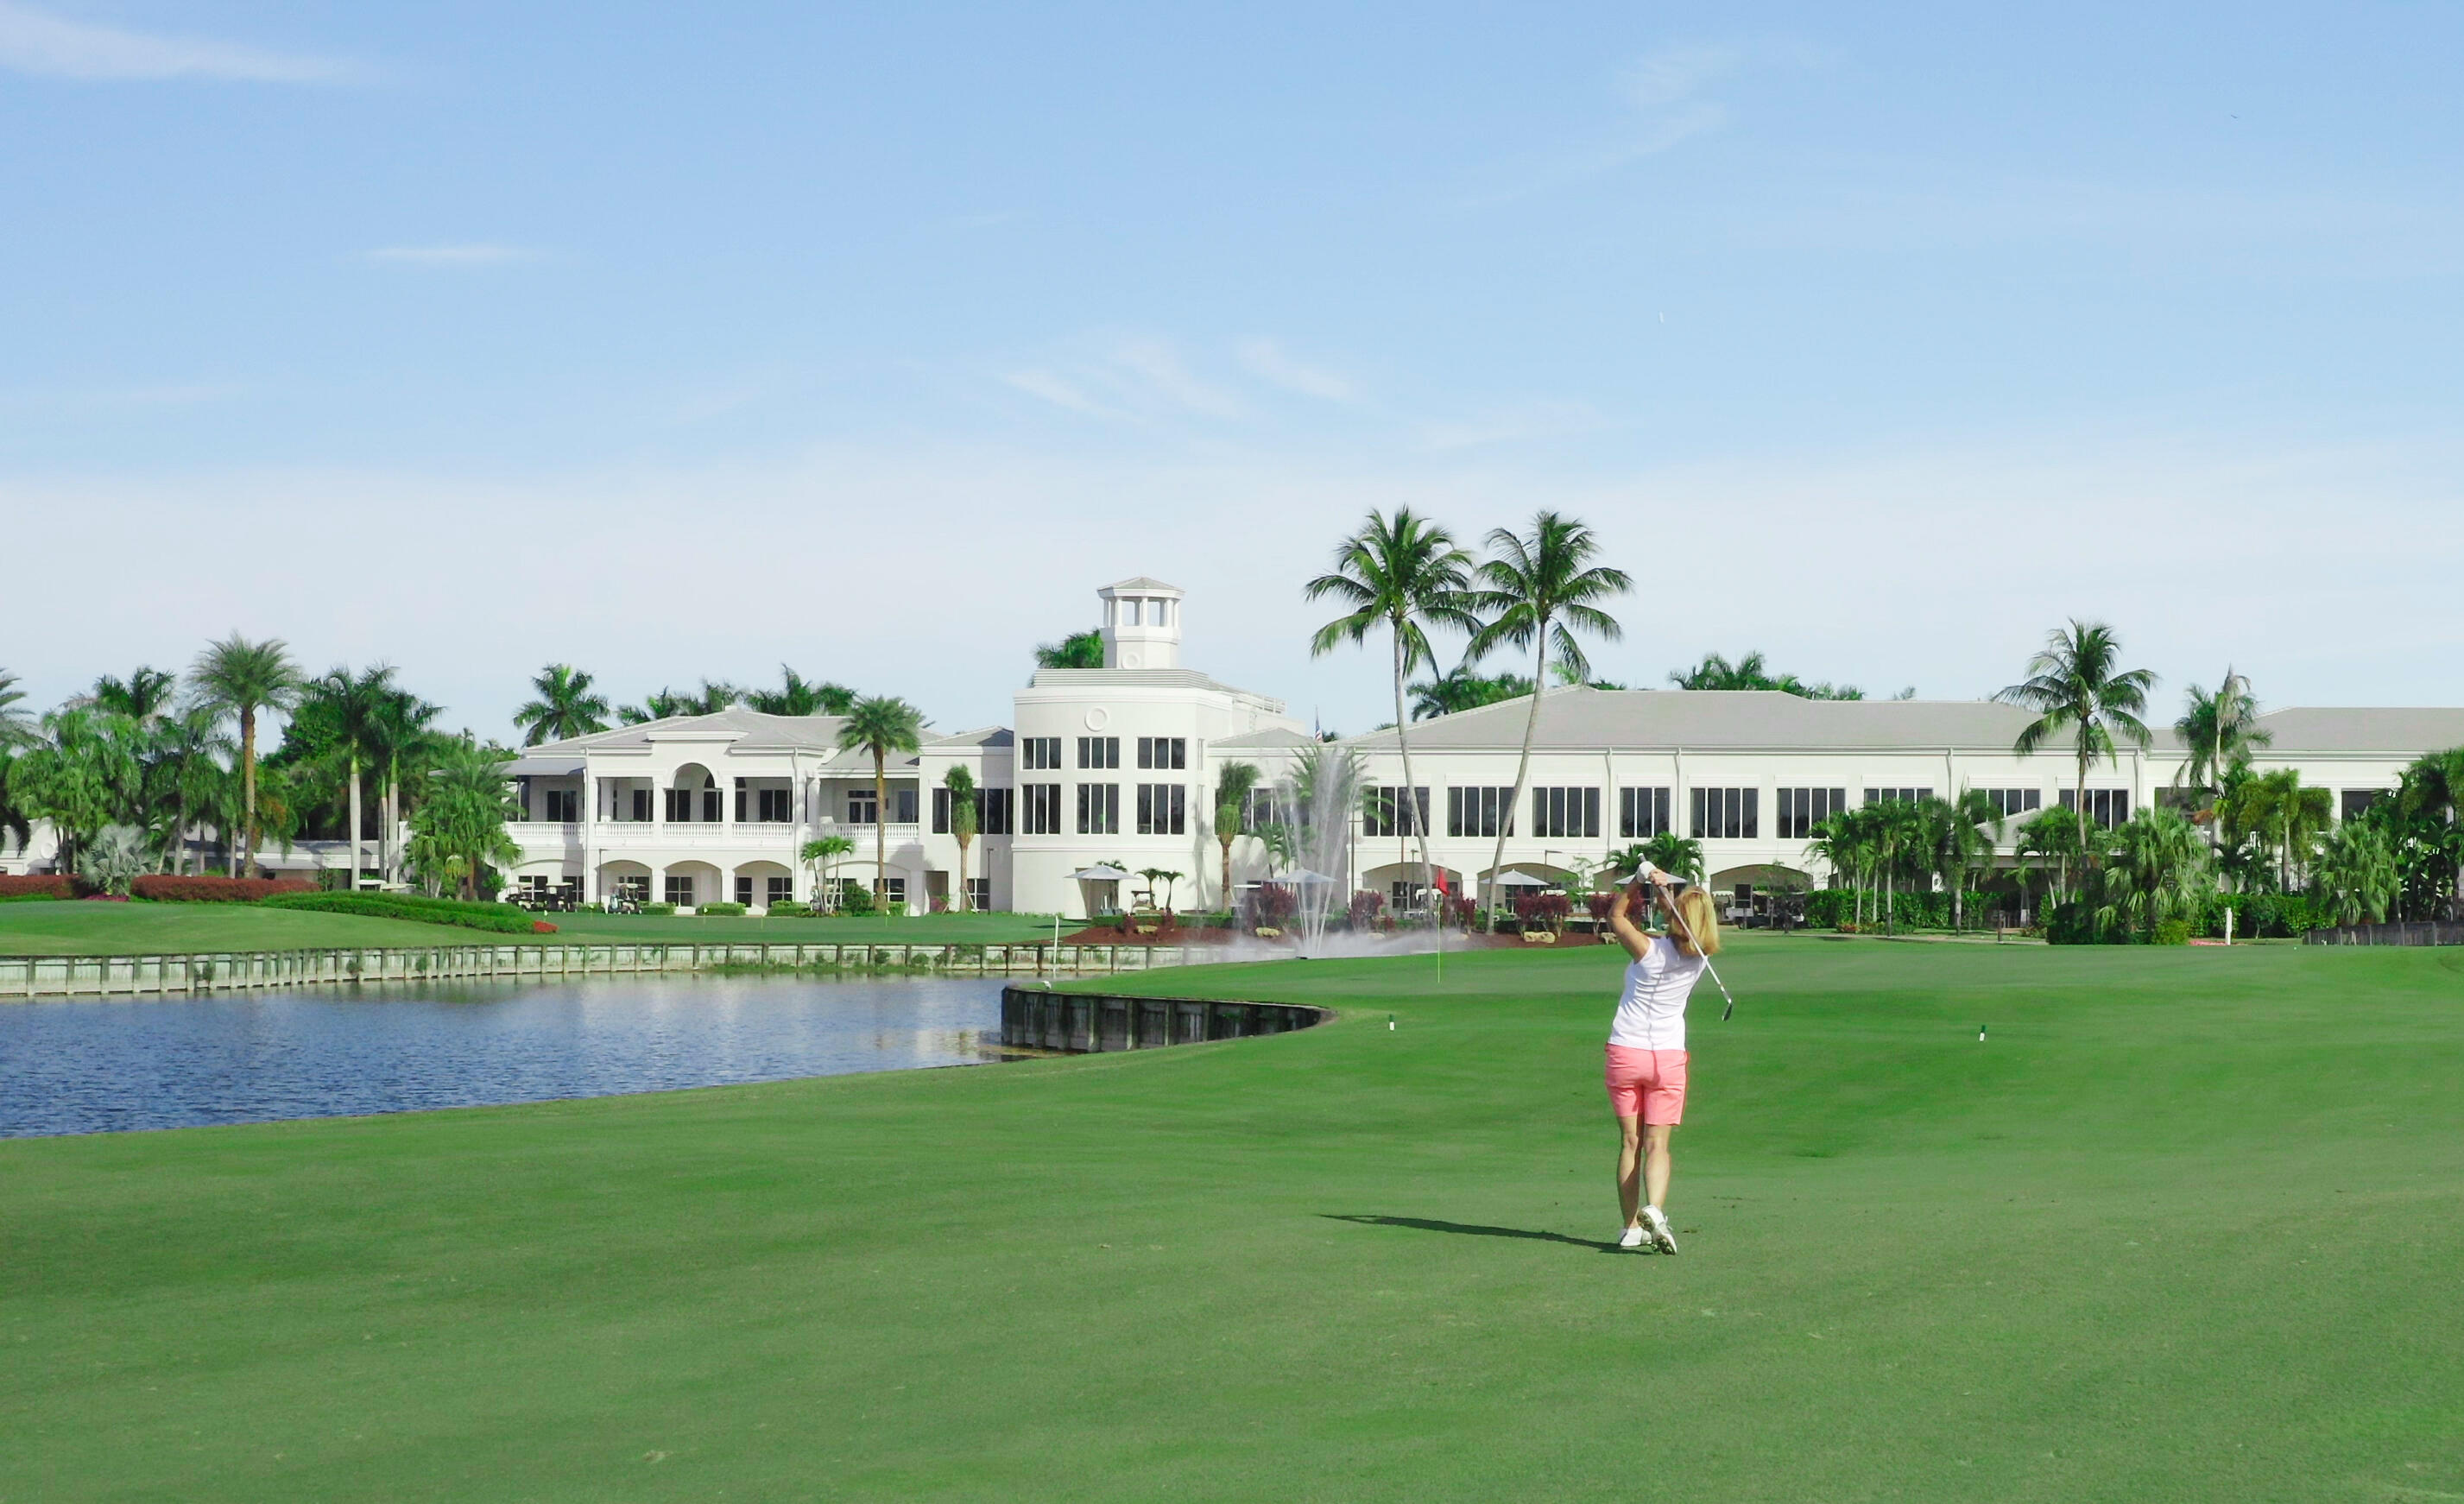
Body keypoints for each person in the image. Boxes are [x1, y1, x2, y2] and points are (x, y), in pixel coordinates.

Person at [1603, 866, 1721, 1254]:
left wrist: (1639, 881)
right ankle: (1655, 1208)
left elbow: (1616, 918)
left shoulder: (1648, 951)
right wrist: (1665, 892)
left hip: (1626, 1052)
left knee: (1630, 1142)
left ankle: (1631, 1227)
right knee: (1657, 1145)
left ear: (1674, 916)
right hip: (1668, 1058)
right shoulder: (1700, 959)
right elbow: (1678, 935)